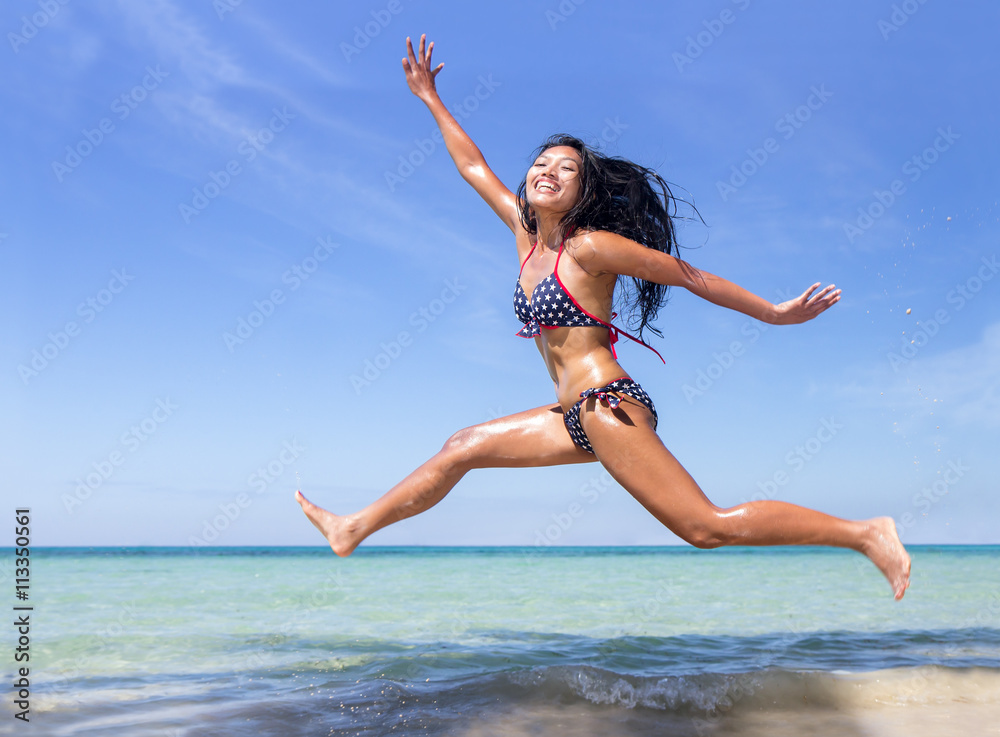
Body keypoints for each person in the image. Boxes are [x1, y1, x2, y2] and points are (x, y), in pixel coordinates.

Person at [296, 35, 911, 600]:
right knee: (461, 447)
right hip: (572, 414)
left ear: (582, 191)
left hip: (605, 402)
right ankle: (353, 527)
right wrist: (430, 97)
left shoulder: (589, 247)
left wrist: (773, 313)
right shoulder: (525, 236)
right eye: (542, 162)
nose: (548, 171)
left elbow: (688, 276)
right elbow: (472, 166)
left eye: (566, 169)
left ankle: (864, 533)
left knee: (705, 527)